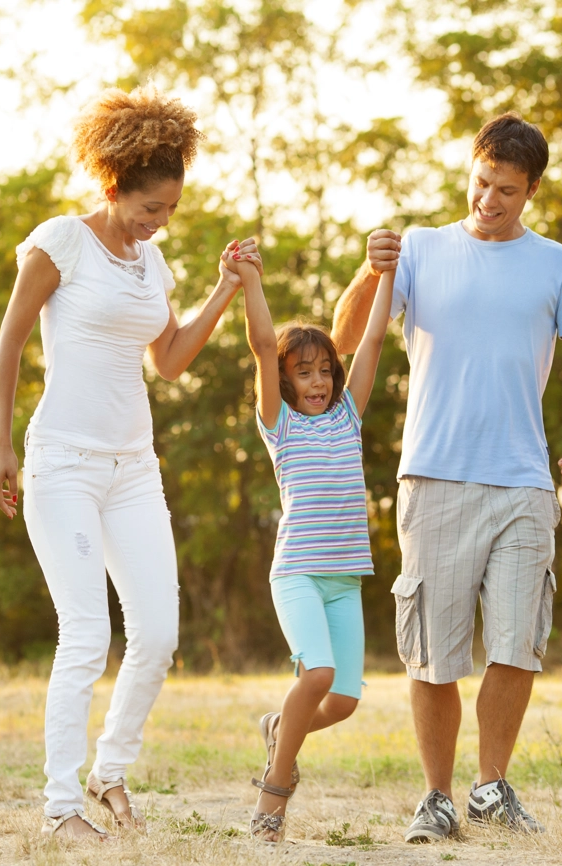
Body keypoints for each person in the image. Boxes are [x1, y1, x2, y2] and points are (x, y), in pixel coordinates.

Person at [332, 112, 562, 842]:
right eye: (482, 182)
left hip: (524, 482)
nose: (489, 200)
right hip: (433, 476)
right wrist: (372, 269)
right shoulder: (422, 249)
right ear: (472, 168)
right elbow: (342, 339)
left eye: (507, 191)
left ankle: (491, 785)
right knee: (433, 653)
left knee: (518, 640)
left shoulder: (556, 264)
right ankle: (436, 798)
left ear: (531, 192)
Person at [0, 86, 257, 841]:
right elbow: (8, 344)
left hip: (134, 468)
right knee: (84, 634)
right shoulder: (60, 242)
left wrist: (225, 290)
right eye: (149, 209)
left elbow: (168, 360)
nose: (158, 222)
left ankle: (111, 770)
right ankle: (62, 806)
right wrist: (2, 446)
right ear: (112, 186)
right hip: (63, 462)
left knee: (159, 633)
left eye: (169, 210)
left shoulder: (151, 259)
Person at [234, 245, 396, 841]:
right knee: (319, 674)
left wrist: (386, 275)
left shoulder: (348, 415)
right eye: (304, 371)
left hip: (344, 579)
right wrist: (252, 279)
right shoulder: (279, 423)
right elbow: (260, 342)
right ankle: (274, 794)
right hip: (298, 572)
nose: (319, 381)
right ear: (284, 379)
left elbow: (373, 342)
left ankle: (280, 726)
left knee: (345, 699)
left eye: (324, 370)